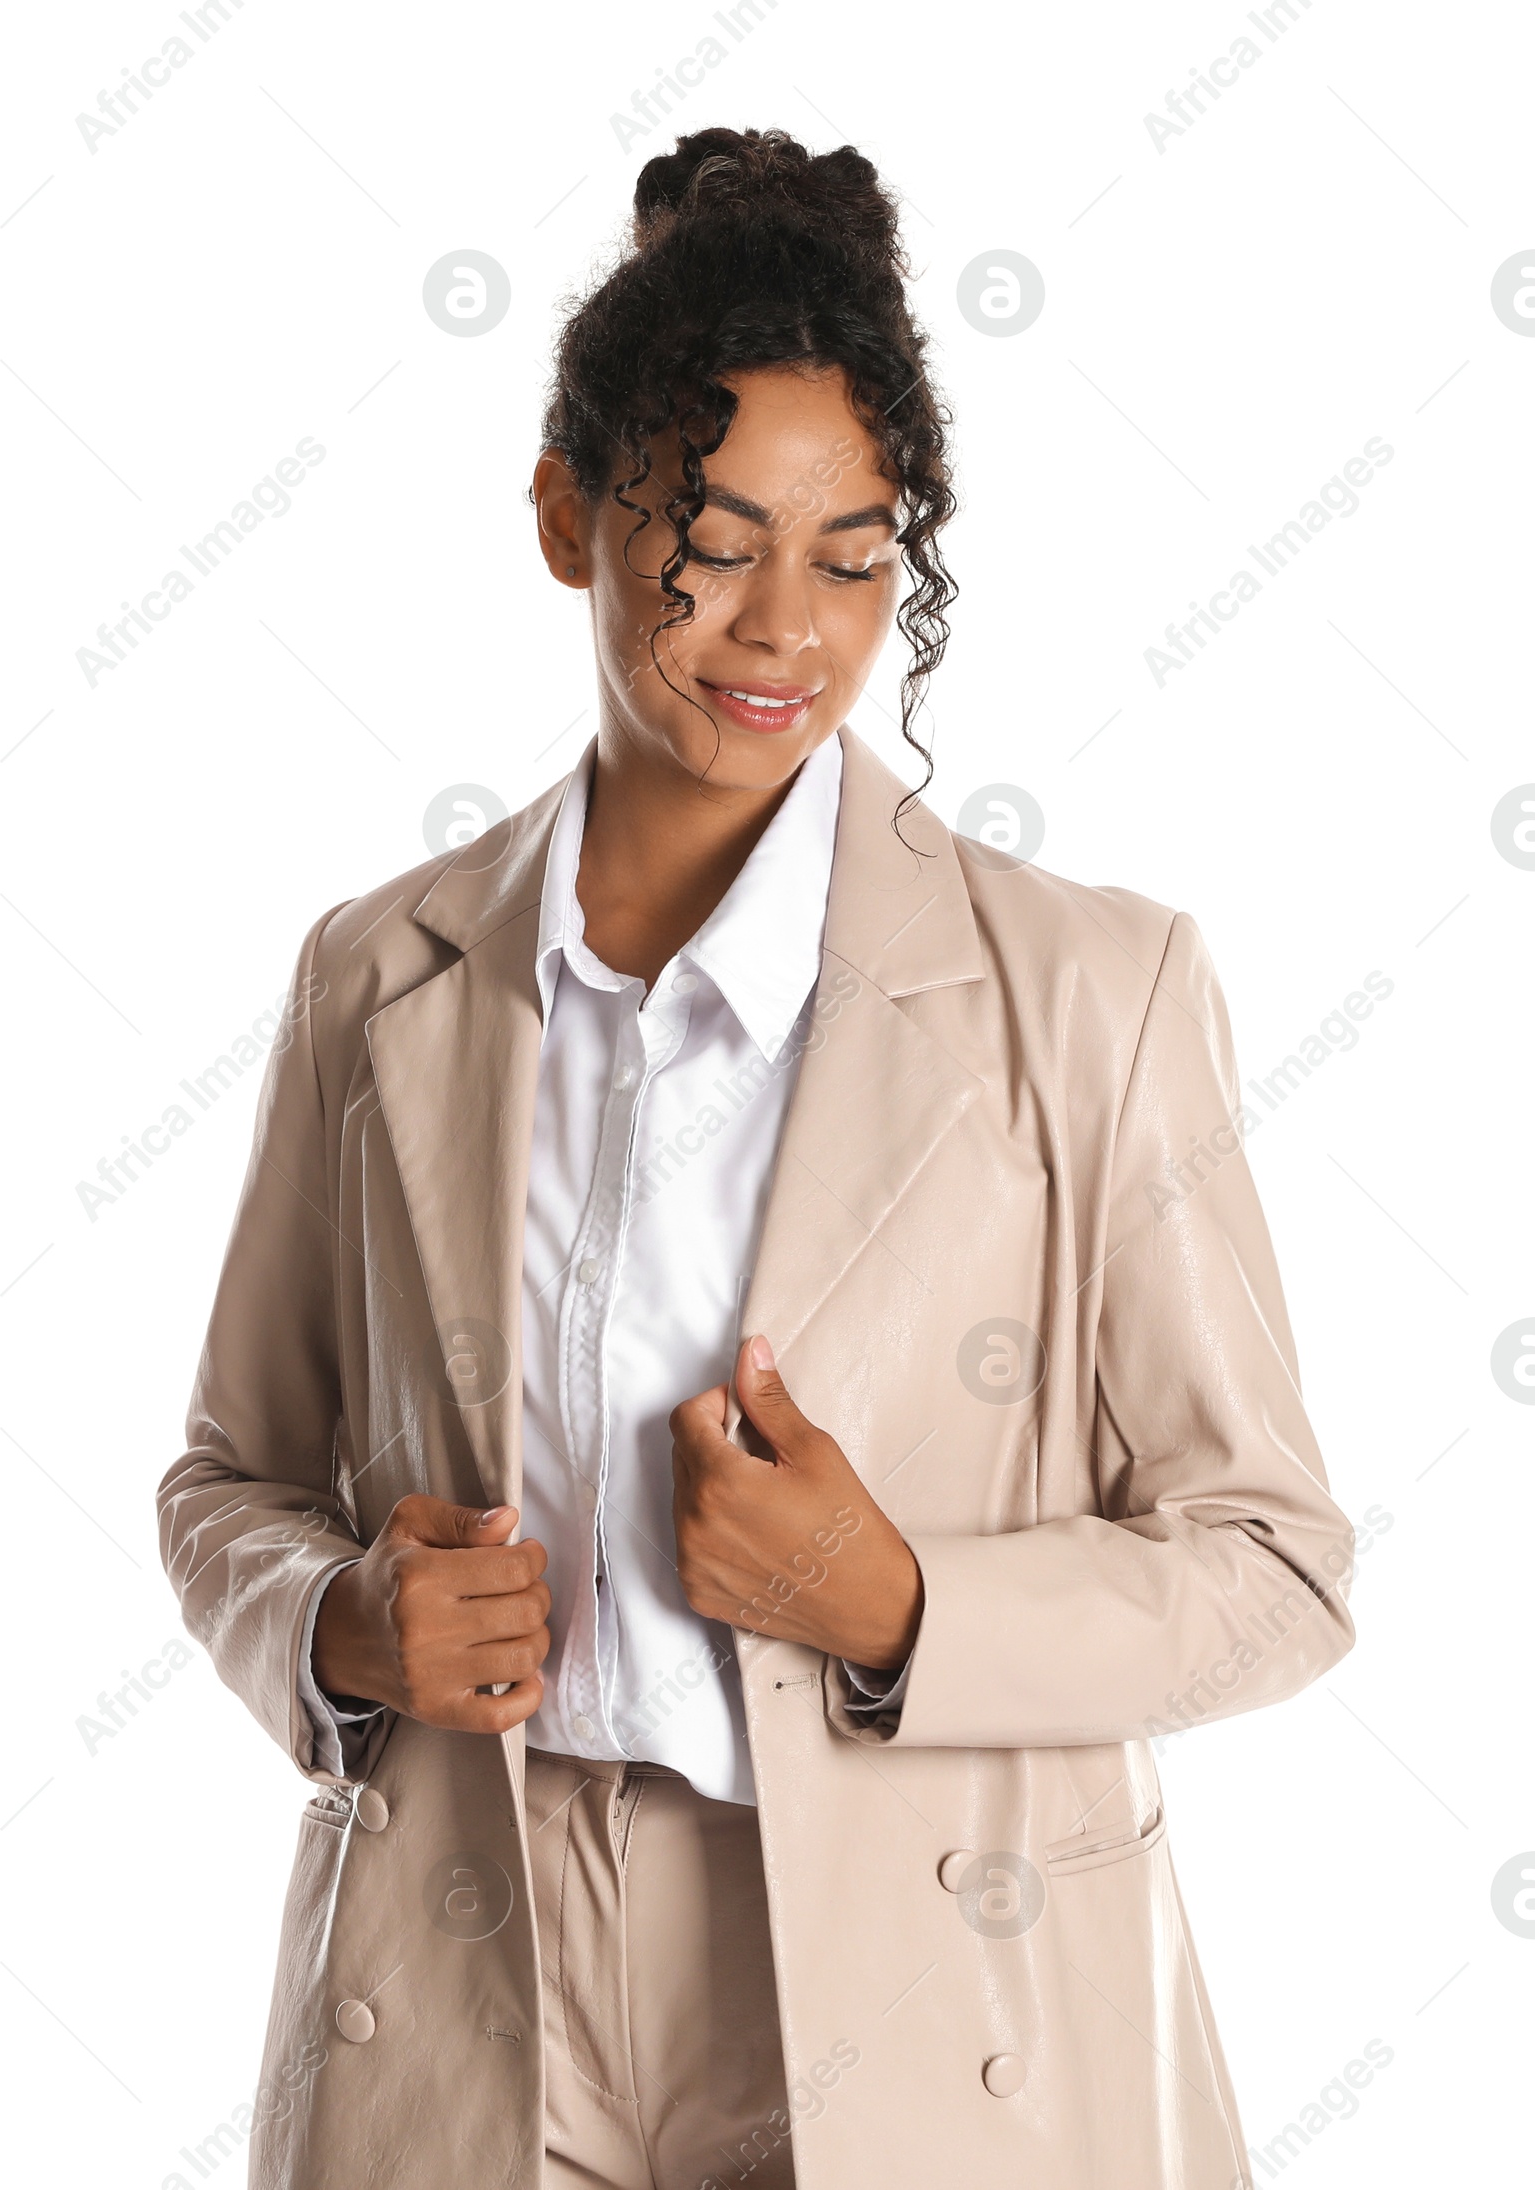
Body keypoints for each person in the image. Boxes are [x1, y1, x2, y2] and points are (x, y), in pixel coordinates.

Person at [158, 125, 1357, 2190]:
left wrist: (898, 1603)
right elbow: (228, 1484)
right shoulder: (378, 974)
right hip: (465, 1959)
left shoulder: (1092, 990)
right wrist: (338, 1630)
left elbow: (1271, 1570)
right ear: (567, 514)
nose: (778, 626)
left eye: (854, 552)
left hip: (932, 1975)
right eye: (706, 536)